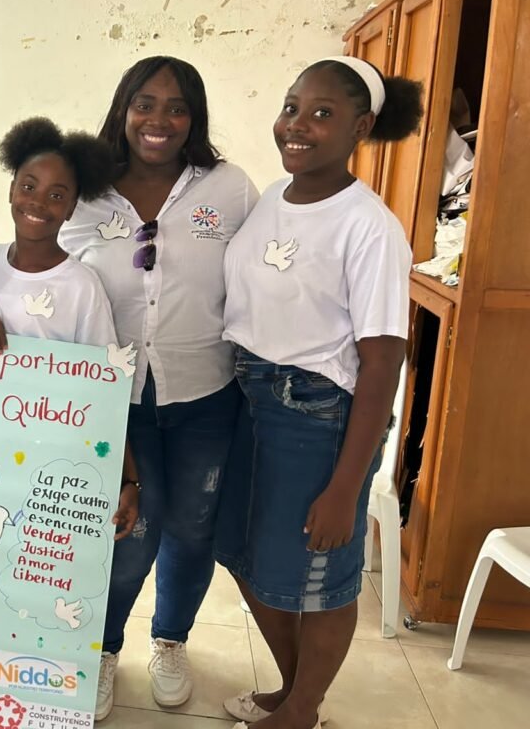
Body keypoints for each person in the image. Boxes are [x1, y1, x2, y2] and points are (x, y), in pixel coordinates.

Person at [217, 56, 423, 729]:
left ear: (361, 127)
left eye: (322, 114)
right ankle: (292, 689)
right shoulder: (273, 197)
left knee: (318, 579)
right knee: (242, 553)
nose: (297, 125)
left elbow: (383, 362)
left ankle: (302, 709)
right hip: (247, 396)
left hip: (314, 414)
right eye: (291, 108)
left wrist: (345, 487)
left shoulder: (369, 227)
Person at [58, 56, 259, 721]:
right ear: (123, 109)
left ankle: (171, 640)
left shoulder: (228, 188)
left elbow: (261, 276)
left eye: (177, 107)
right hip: (114, 402)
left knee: (193, 527)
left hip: (207, 394)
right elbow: (46, 271)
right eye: (145, 103)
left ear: (194, 118)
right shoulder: (84, 190)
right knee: (128, 531)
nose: (160, 120)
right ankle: (103, 647)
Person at [0, 116, 139, 540]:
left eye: (57, 195)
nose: (38, 203)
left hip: (48, 462)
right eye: (29, 186)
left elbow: (105, 388)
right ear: (11, 189)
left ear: (72, 208)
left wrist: (127, 480)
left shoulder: (81, 286)